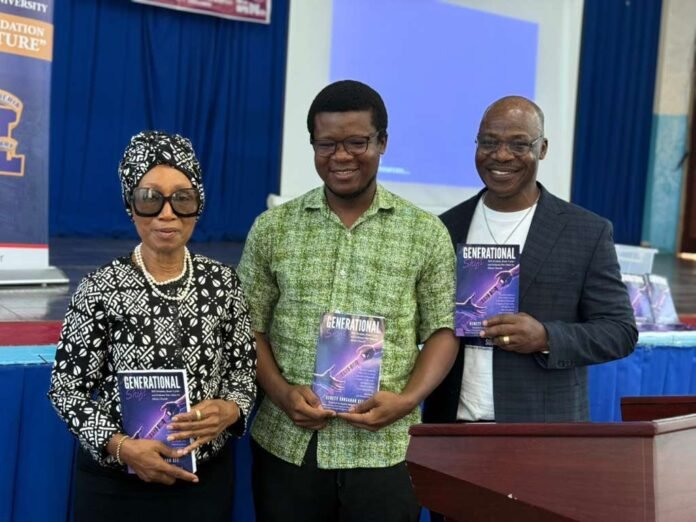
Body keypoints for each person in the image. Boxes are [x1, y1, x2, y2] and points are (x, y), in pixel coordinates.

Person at [237, 79, 458, 522]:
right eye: (327, 144)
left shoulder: (425, 233)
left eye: (357, 143)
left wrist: (407, 399)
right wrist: (281, 393)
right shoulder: (272, 228)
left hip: (385, 450)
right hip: (289, 444)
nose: (341, 156)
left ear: (382, 142)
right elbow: (248, 326)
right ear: (313, 145)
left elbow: (443, 329)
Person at [48, 131, 256, 521]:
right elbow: (66, 390)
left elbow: (243, 374)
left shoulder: (224, 283)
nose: (167, 213)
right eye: (150, 199)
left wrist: (230, 409)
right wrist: (122, 447)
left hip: (202, 484)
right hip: (115, 486)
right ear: (130, 205)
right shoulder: (99, 288)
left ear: (198, 205)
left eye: (182, 198)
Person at [423, 96, 637, 430]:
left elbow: (620, 332)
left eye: (518, 144)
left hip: (542, 429)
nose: (501, 155)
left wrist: (546, 337)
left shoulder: (586, 232)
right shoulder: (445, 228)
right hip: (450, 427)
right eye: (489, 142)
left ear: (543, 148)